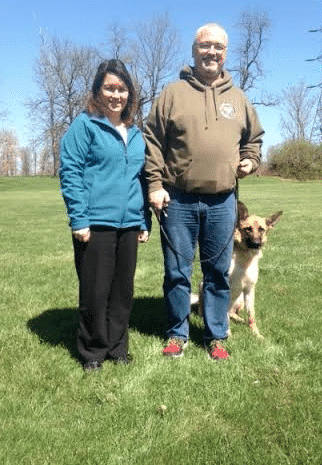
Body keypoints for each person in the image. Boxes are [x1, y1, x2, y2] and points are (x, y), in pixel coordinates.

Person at [144, 23, 264, 361]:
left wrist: (250, 161)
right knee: (177, 271)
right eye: (205, 45)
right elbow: (152, 140)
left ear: (225, 53)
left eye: (218, 47)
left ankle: (216, 335)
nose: (211, 52)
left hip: (223, 200)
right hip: (177, 198)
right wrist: (154, 185)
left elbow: (254, 140)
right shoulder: (171, 93)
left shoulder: (238, 98)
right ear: (194, 50)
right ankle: (177, 334)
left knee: (217, 272)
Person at [60, 59, 150, 372]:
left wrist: (144, 221)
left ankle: (117, 347)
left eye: (121, 88)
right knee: (95, 292)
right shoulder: (84, 125)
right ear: (98, 90)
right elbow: (70, 172)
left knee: (122, 291)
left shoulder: (136, 132)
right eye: (109, 87)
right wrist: (79, 219)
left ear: (130, 93)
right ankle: (93, 352)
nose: (115, 94)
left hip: (129, 223)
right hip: (95, 222)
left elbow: (141, 179)